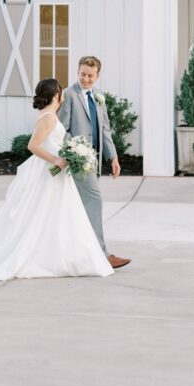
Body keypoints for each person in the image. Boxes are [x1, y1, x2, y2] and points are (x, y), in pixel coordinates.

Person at [0, 78, 113, 280]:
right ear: (56, 95)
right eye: (60, 92)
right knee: (41, 214)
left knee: (57, 215)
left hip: (55, 173)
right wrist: (56, 159)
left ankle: (59, 255)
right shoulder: (48, 117)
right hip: (47, 171)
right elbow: (33, 145)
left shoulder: (50, 115)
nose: (63, 94)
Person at [59, 55, 131, 269]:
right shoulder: (69, 95)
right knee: (95, 201)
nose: (86, 79)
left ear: (97, 76)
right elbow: (62, 129)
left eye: (90, 76)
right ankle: (102, 254)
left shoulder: (99, 96)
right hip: (79, 161)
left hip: (96, 160)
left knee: (81, 208)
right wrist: (75, 152)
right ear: (78, 72)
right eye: (83, 74)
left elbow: (105, 128)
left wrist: (113, 157)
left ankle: (81, 253)